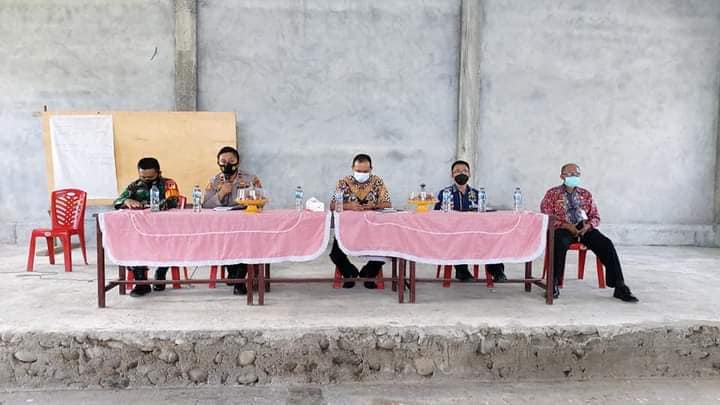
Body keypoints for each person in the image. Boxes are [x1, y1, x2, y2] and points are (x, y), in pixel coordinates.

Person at [540, 163, 638, 302]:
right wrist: (566, 225)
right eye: (570, 174)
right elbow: (546, 215)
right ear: (562, 176)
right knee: (558, 242)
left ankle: (619, 286)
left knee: (606, 244)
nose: (574, 176)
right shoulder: (552, 194)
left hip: (583, 227)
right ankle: (554, 284)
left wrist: (588, 226)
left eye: (576, 174)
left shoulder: (585, 194)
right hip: (562, 228)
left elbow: (595, 216)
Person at [113, 157, 180, 297]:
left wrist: (152, 206)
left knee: (168, 244)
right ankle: (141, 283)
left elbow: (172, 201)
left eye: (150, 177)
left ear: (158, 173)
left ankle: (160, 275)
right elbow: (117, 201)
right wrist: (127, 200)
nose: (146, 180)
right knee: (132, 244)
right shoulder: (134, 186)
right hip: (141, 230)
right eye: (143, 177)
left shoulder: (169, 183)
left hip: (165, 229)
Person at [202, 146, 263, 295]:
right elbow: (206, 205)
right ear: (218, 162)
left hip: (246, 225)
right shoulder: (214, 181)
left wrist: (249, 202)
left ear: (238, 161)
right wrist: (221, 193)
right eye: (223, 161)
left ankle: (240, 280)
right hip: (223, 228)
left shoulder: (251, 179)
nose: (227, 164)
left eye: (231, 161)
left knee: (245, 242)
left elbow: (260, 201)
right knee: (226, 241)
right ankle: (233, 273)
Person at [434, 160, 507, 282]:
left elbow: (484, 213)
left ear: (469, 174)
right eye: (457, 171)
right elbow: (437, 214)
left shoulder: (477, 194)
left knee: (492, 238)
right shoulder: (445, 193)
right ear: (452, 175)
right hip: (454, 232)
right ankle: (462, 271)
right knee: (458, 239)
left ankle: (497, 271)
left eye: (464, 171)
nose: (461, 173)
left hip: (475, 231)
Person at [329, 153, 392, 289]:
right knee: (335, 254)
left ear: (371, 169)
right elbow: (333, 205)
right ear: (352, 168)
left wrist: (373, 205)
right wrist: (348, 206)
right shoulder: (343, 182)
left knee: (385, 250)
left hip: (372, 227)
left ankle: (368, 274)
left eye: (365, 171)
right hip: (348, 228)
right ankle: (349, 273)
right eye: (358, 171)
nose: (361, 174)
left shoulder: (377, 182)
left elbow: (387, 203)